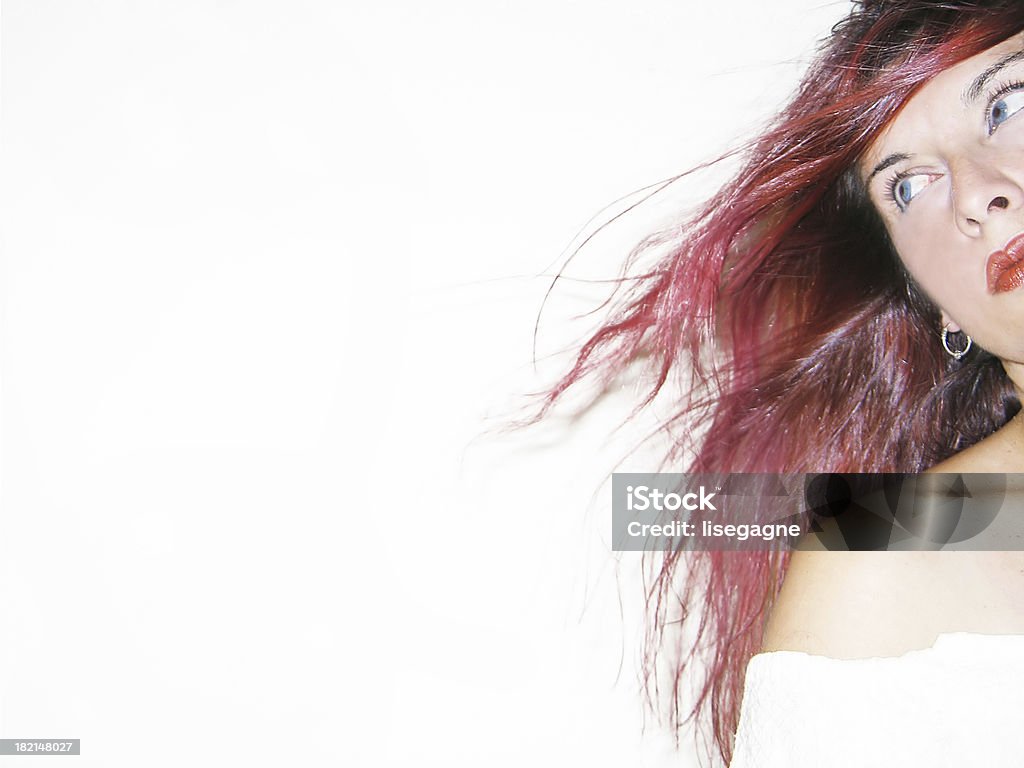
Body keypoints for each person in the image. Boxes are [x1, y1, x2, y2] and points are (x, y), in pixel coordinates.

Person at [533, 1, 1024, 765]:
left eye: (1008, 103)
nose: (971, 195)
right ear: (935, 304)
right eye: (908, 187)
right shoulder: (882, 559)